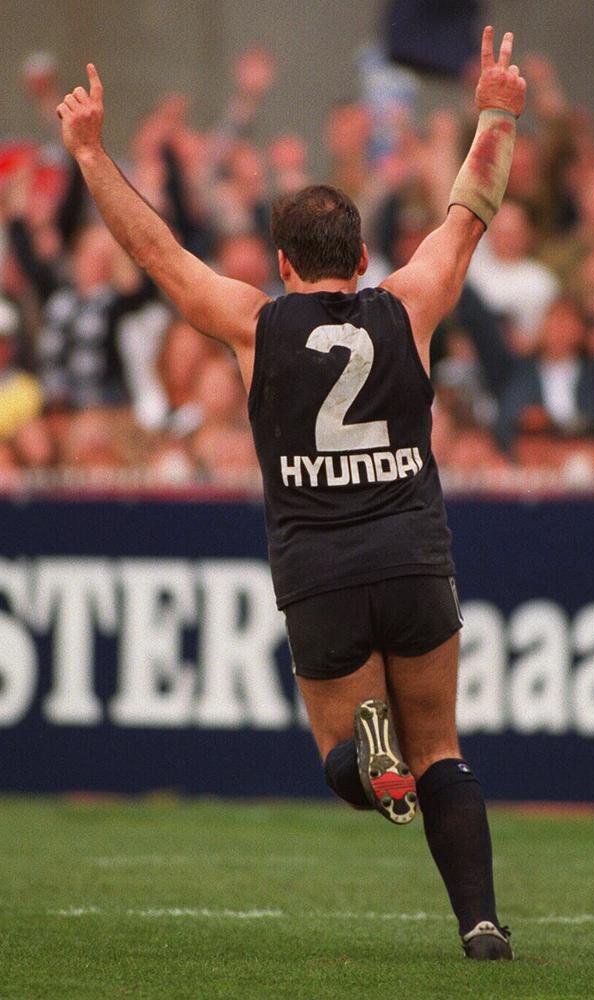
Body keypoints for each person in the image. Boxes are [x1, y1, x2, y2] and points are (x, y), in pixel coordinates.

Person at [56, 25, 525, 960]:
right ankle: (479, 921)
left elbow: (154, 250)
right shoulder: (411, 305)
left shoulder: (254, 325)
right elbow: (468, 211)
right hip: (412, 554)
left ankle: (368, 770)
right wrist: (497, 111)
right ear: (360, 258)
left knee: (351, 756)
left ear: (283, 263)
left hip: (319, 571)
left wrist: (90, 152)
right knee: (443, 750)